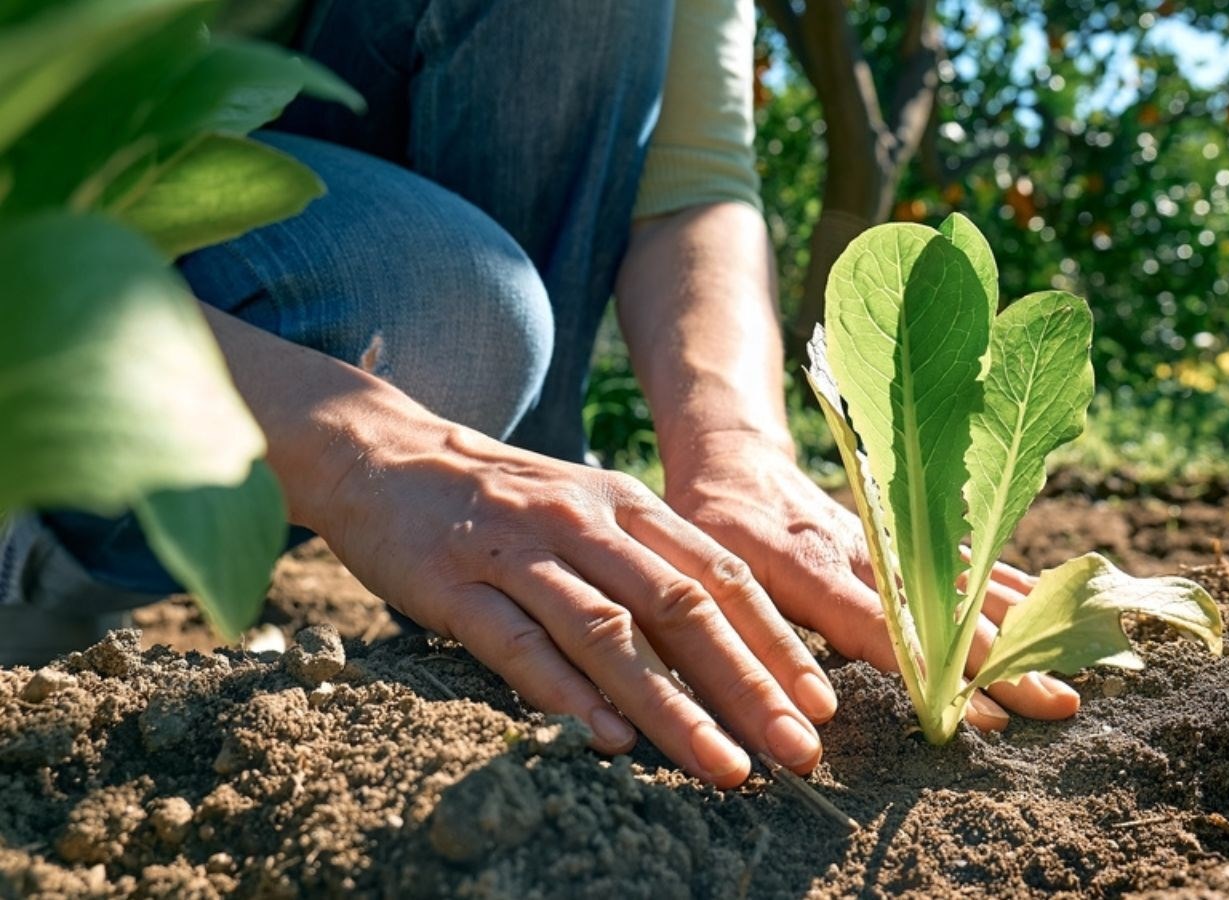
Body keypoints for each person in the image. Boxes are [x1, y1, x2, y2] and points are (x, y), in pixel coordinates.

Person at [0, 0, 1079, 786]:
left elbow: (692, 183)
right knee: (464, 315)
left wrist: (740, 457)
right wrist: (357, 445)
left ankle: (537, 582)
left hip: (206, 236)